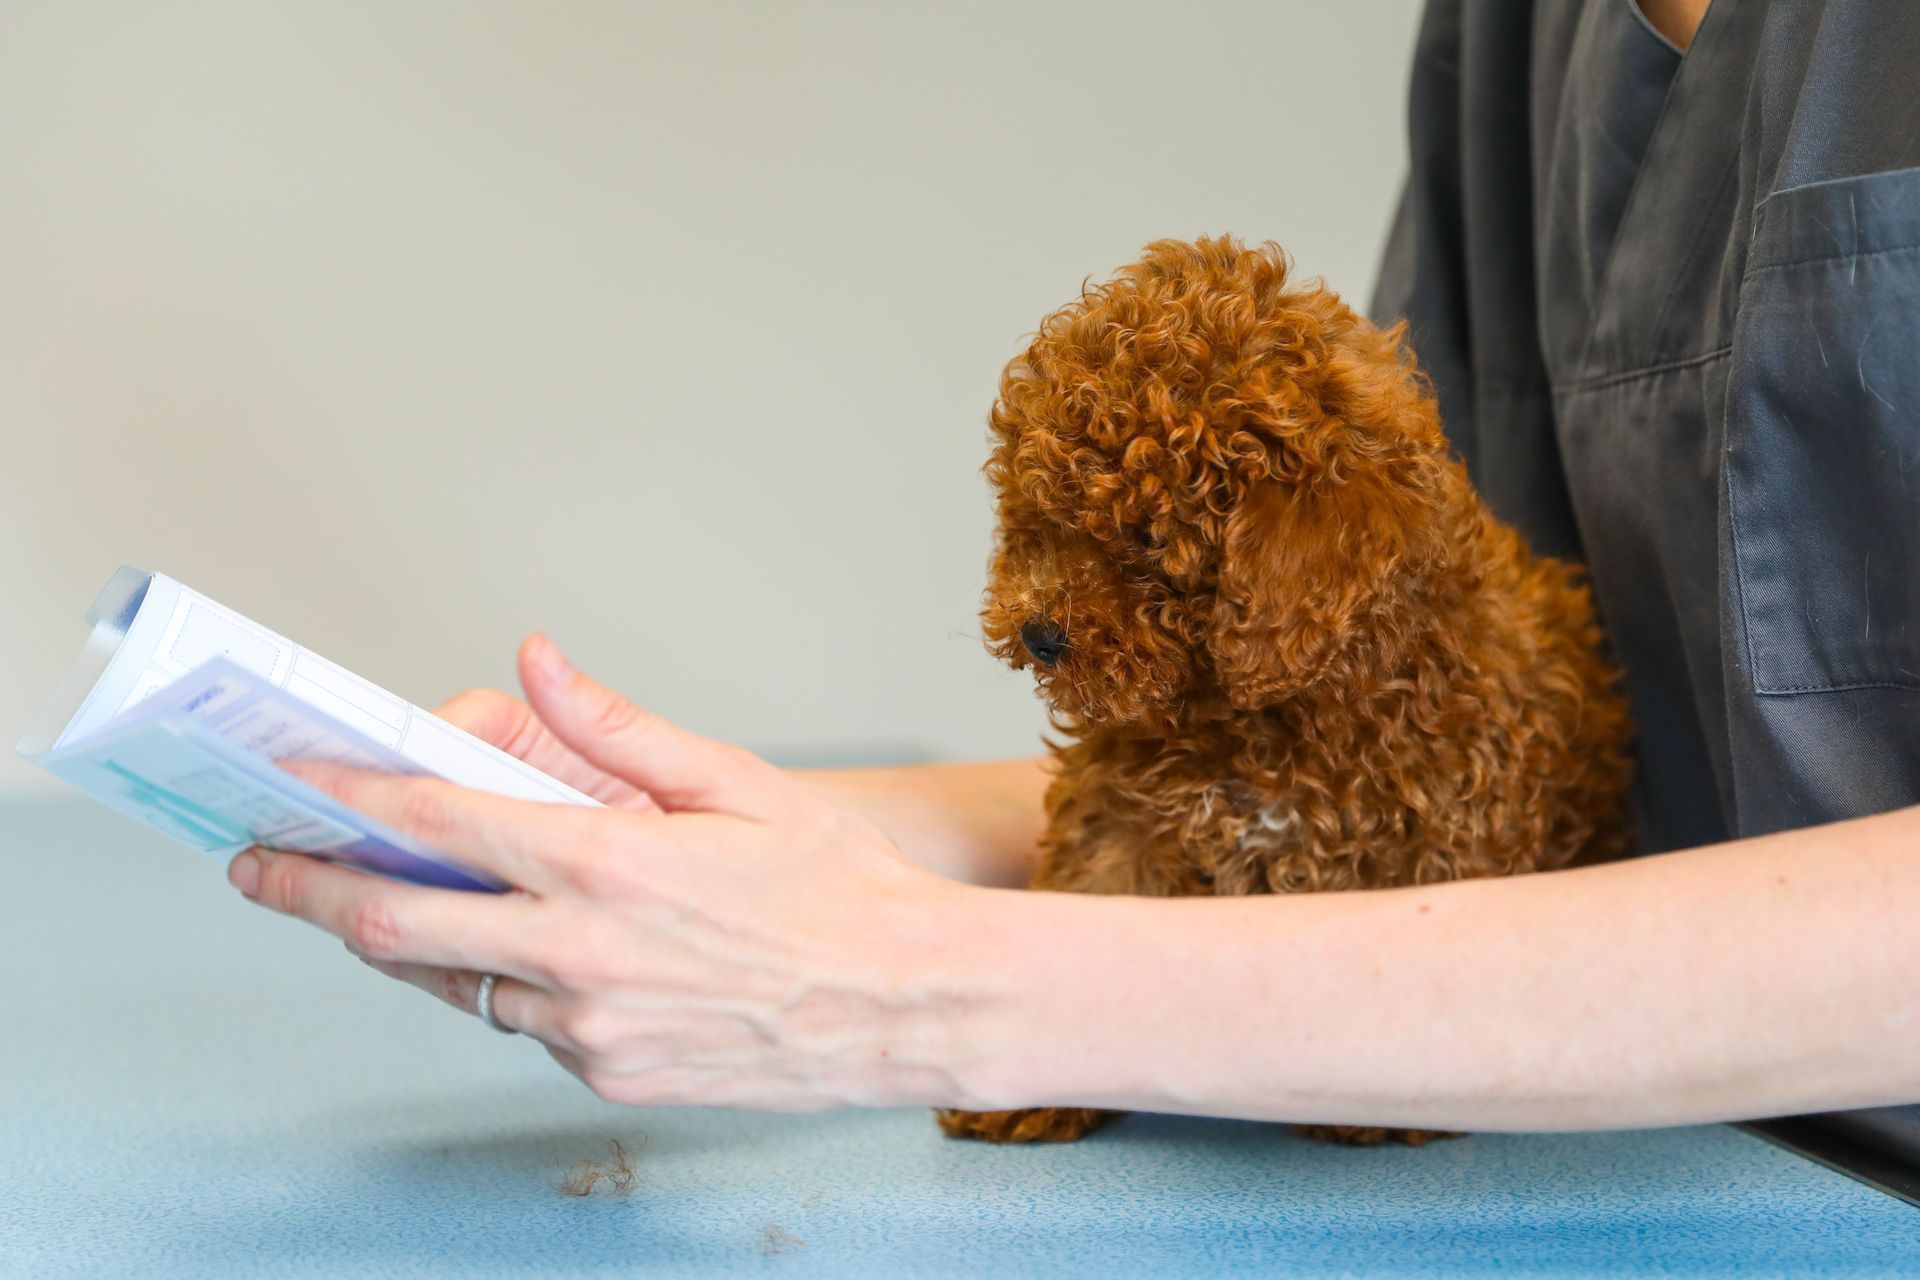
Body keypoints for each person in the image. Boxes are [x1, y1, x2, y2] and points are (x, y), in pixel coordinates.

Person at [228, 0, 1920, 1132]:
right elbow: (1324, 725)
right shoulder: (1511, 32)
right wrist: (705, 842)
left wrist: (943, 994)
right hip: (1627, 1159)